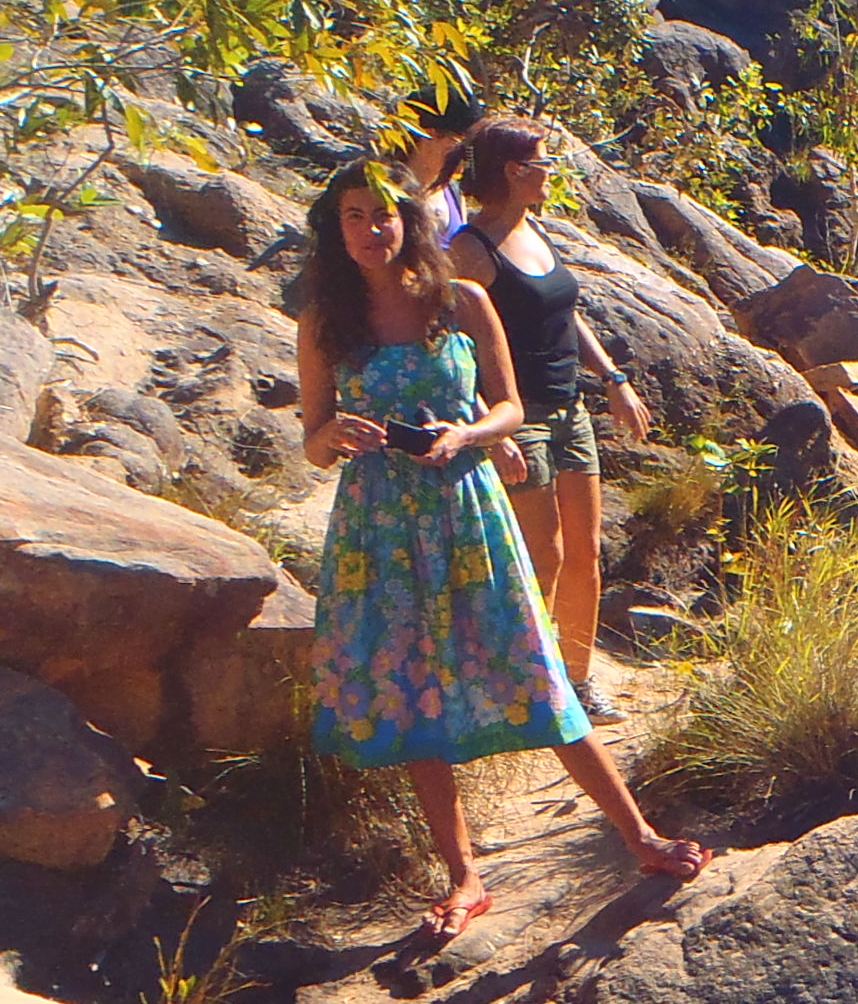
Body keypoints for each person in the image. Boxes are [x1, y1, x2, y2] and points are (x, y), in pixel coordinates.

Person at [296, 166, 707, 943]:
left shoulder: (461, 299)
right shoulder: (324, 321)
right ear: (335, 228)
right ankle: (464, 876)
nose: (370, 230)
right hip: (378, 526)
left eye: (383, 214)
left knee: (532, 664)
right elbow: (312, 442)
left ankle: (640, 837)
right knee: (411, 692)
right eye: (353, 216)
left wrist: (467, 435)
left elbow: (512, 407)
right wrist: (335, 436)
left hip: (466, 508)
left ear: (408, 220)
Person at [445, 113, 649, 719]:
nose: (550, 173)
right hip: (519, 417)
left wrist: (613, 379)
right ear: (514, 171)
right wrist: (489, 428)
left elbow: (565, 314)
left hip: (569, 409)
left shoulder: (534, 230)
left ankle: (577, 684)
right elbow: (454, 344)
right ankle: (525, 686)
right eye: (543, 163)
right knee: (543, 555)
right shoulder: (470, 249)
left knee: (585, 553)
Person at [395, 86, 482, 244]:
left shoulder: (453, 192)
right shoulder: (386, 189)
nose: (470, 152)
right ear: (430, 134)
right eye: (464, 141)